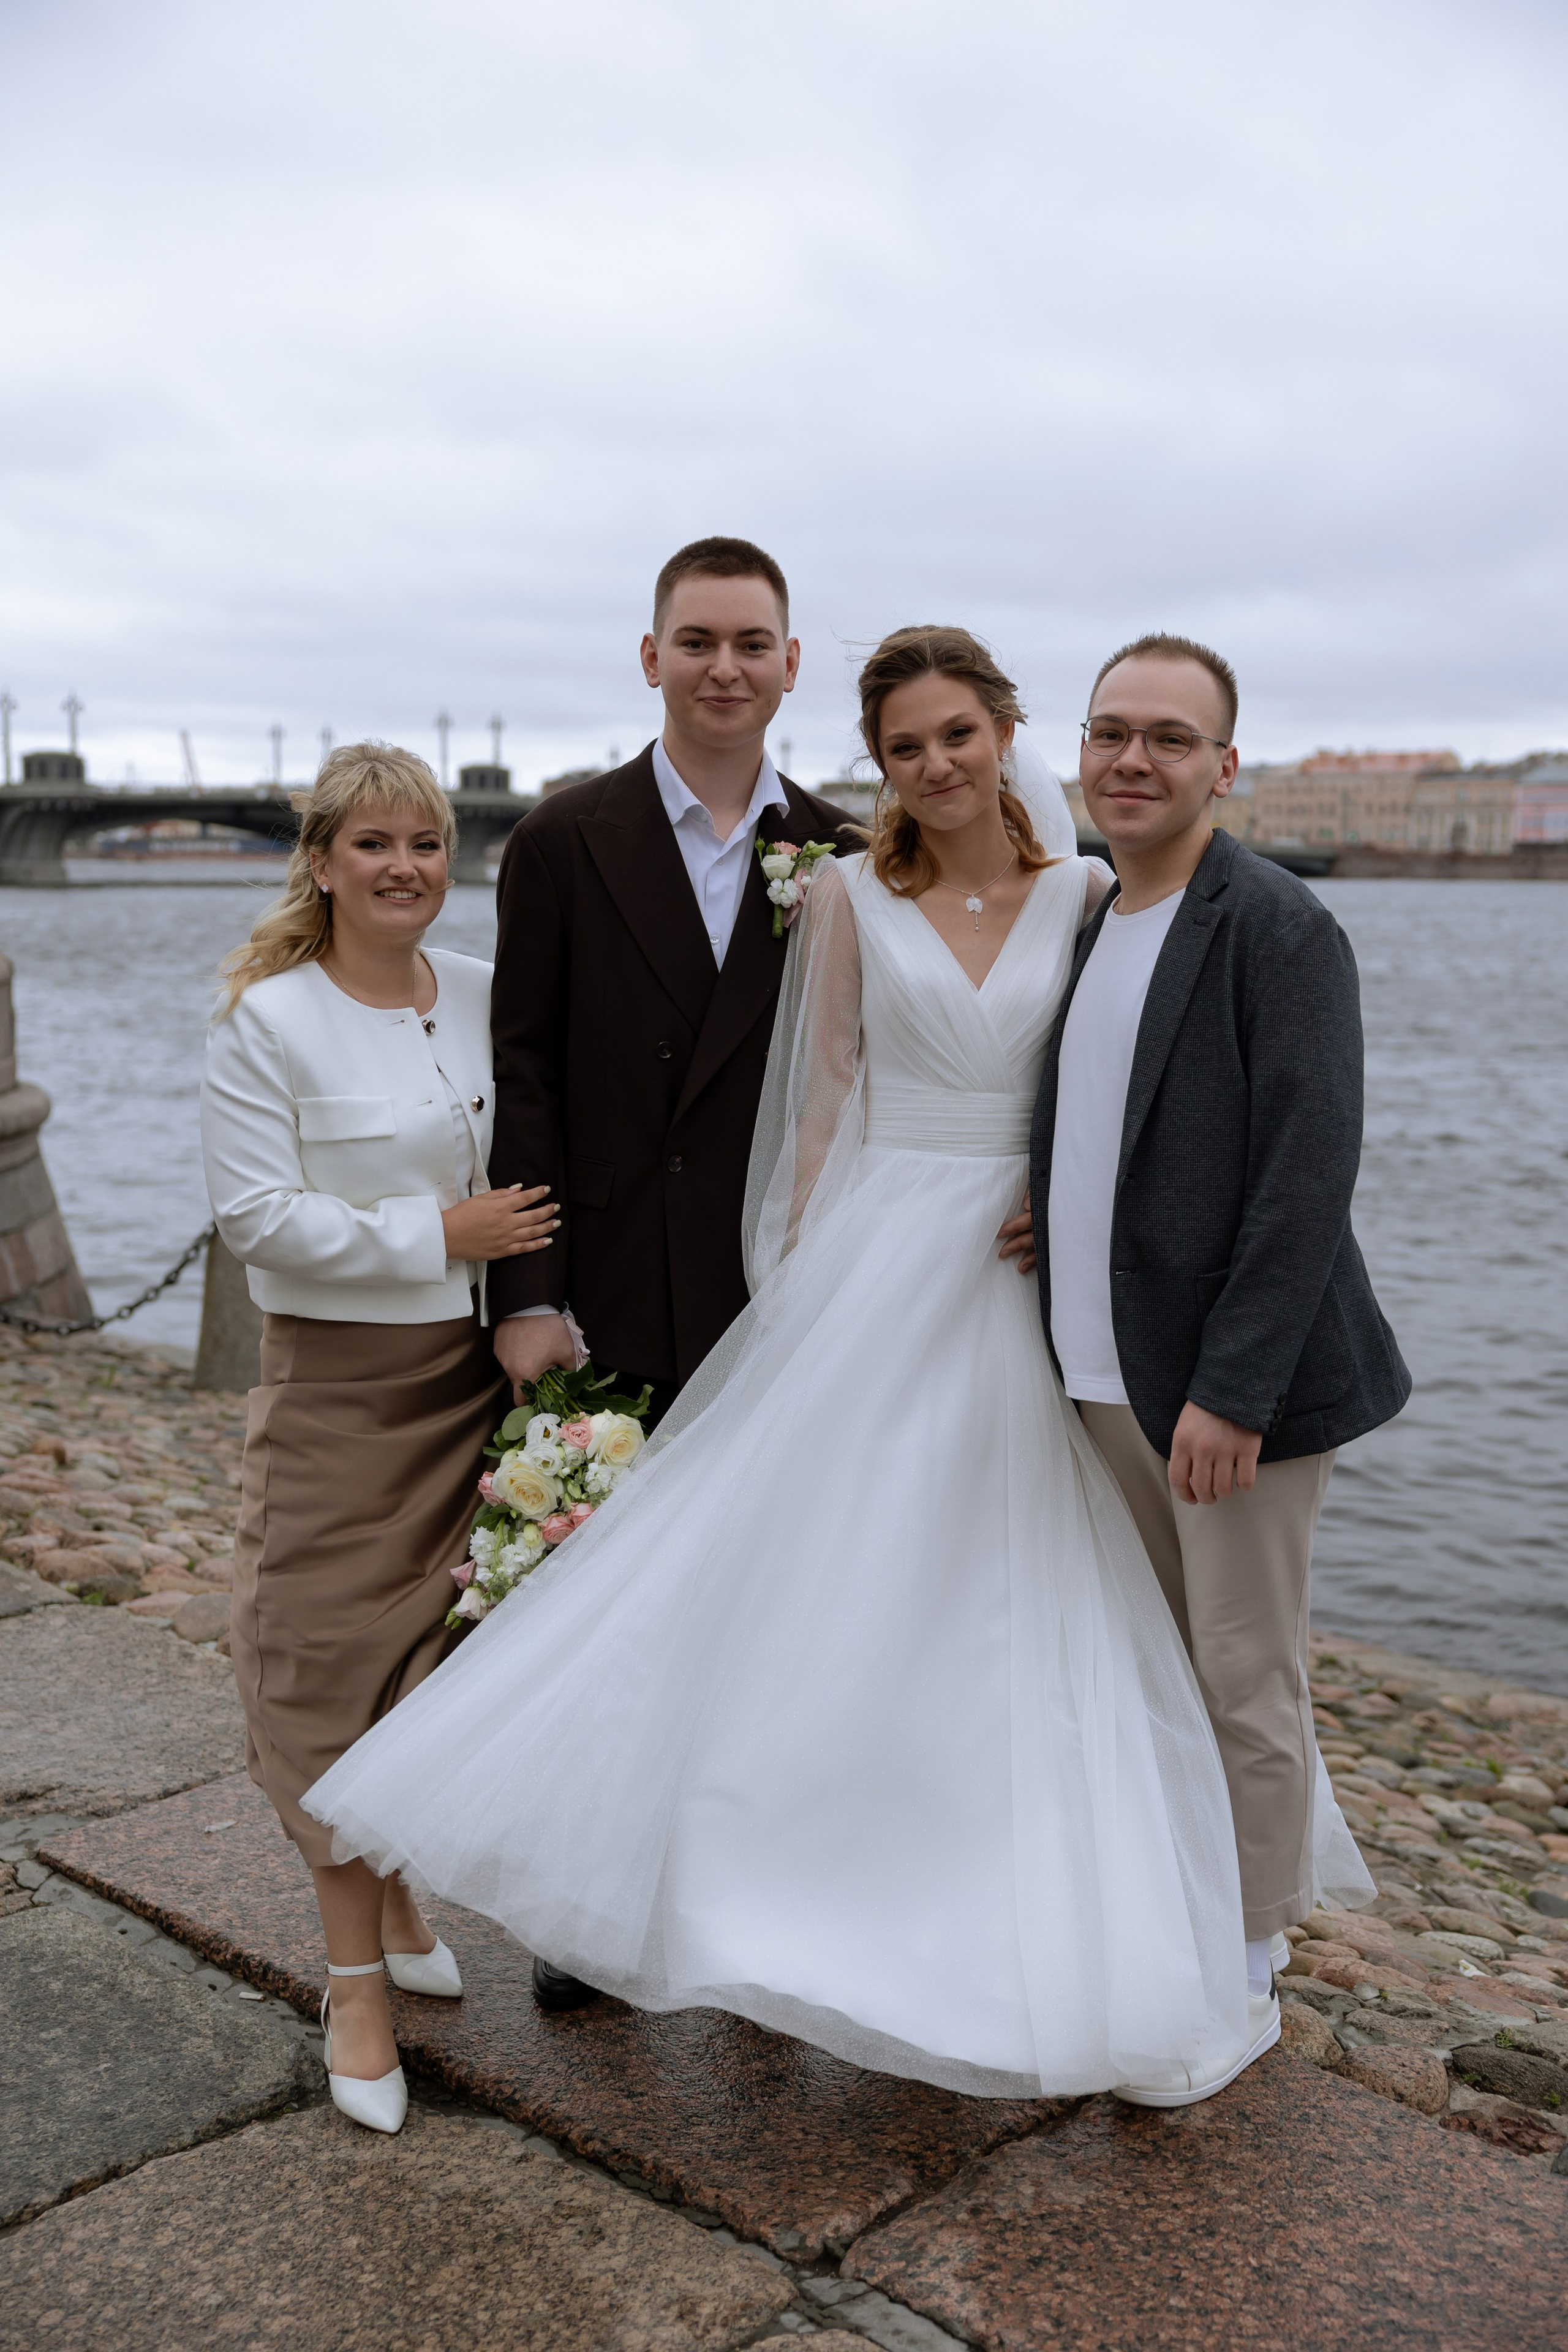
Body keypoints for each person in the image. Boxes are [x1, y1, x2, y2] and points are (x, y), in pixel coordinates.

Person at [304, 628, 1275, 2111]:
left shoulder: (1085, 896)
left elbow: (1110, 1087)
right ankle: (763, 1890)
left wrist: (1059, 1186)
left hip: (1018, 1278)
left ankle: (985, 1905)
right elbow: (816, 1114)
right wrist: (803, 1297)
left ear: (1007, 733)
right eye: (903, 747)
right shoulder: (841, 895)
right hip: (881, 1261)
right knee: (828, 1583)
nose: (936, 765)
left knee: (1000, 1597)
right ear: (876, 765)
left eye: (959, 734)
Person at [1002, 633, 1407, 2010]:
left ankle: (1247, 1953)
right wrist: (1047, 1212)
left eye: (1168, 738)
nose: (1132, 758)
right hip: (1102, 1369)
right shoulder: (1089, 917)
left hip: (1228, 1390)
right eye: (1111, 730)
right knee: (1148, 1663)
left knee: (1242, 1674)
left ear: (1221, 766)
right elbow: (1118, 1123)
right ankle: (1182, 1899)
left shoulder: (1278, 927)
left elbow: (1304, 1178)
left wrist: (1232, 1393)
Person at [201, 743, 558, 2135]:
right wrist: (438, 1235)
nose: (403, 866)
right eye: (372, 845)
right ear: (322, 861)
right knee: (322, 1678)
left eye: (423, 843)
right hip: (342, 1400)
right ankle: (355, 1980)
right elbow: (256, 1221)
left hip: (477, 1386)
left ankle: (397, 1886)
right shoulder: (266, 1021)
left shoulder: (479, 994)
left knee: (450, 1678)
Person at [486, 533, 857, 1428]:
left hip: (781, 1282)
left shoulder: (848, 855)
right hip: (608, 1283)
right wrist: (527, 1299)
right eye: (696, 643)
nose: (724, 669)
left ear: (791, 663)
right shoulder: (559, 841)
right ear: (652, 659)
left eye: (751, 645)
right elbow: (525, 1077)